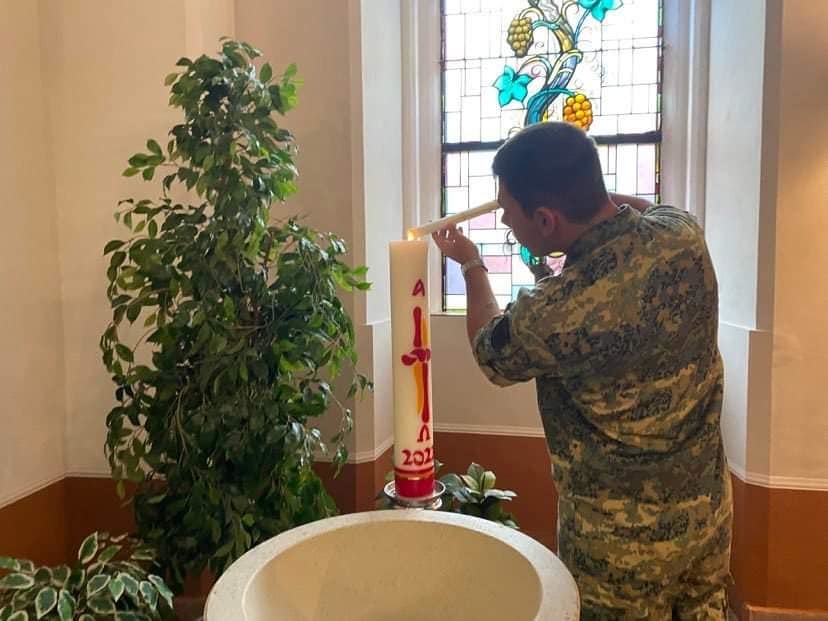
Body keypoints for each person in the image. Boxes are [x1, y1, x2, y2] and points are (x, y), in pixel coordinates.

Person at [432, 122, 732, 620]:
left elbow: (490, 350)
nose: (504, 219)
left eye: (507, 209)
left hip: (618, 549)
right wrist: (589, 197)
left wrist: (471, 264)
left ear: (545, 219)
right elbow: (643, 210)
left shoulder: (556, 310)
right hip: (706, 512)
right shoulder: (681, 236)